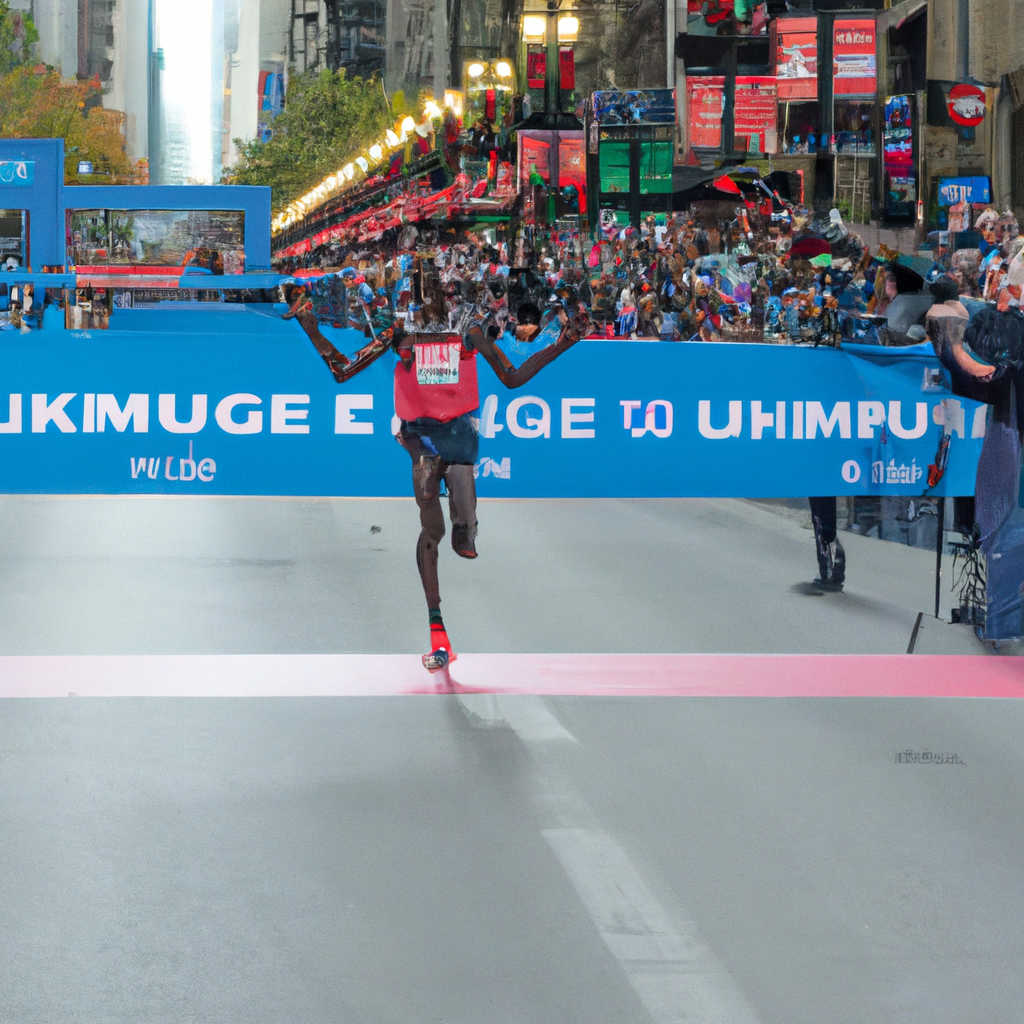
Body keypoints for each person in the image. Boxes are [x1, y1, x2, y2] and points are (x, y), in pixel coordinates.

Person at [320, 298, 590, 670]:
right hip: (438, 439)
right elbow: (511, 378)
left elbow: (342, 370)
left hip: (437, 436)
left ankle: (460, 543)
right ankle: (445, 601)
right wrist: (564, 344)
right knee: (447, 532)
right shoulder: (439, 334)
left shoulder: (433, 335)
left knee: (445, 535)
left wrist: (307, 320)